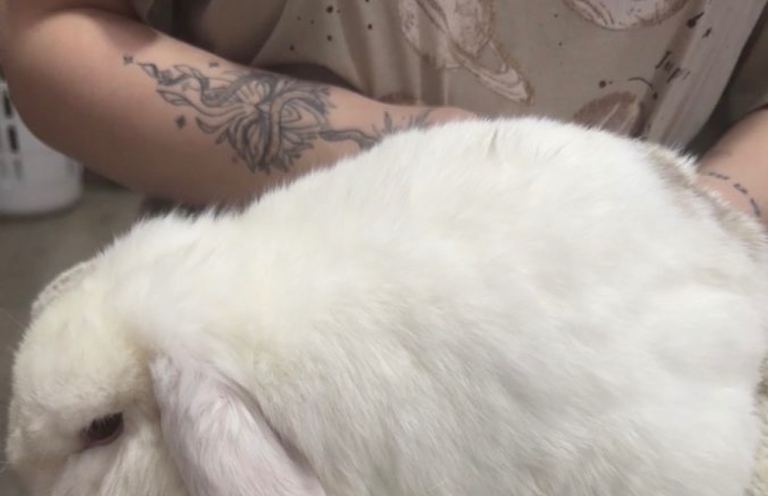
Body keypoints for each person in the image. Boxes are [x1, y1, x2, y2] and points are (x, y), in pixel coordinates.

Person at [2, 0, 768, 225]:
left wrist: (711, 225)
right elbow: (46, 29)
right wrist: (408, 151)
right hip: (267, 299)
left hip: (640, 307)